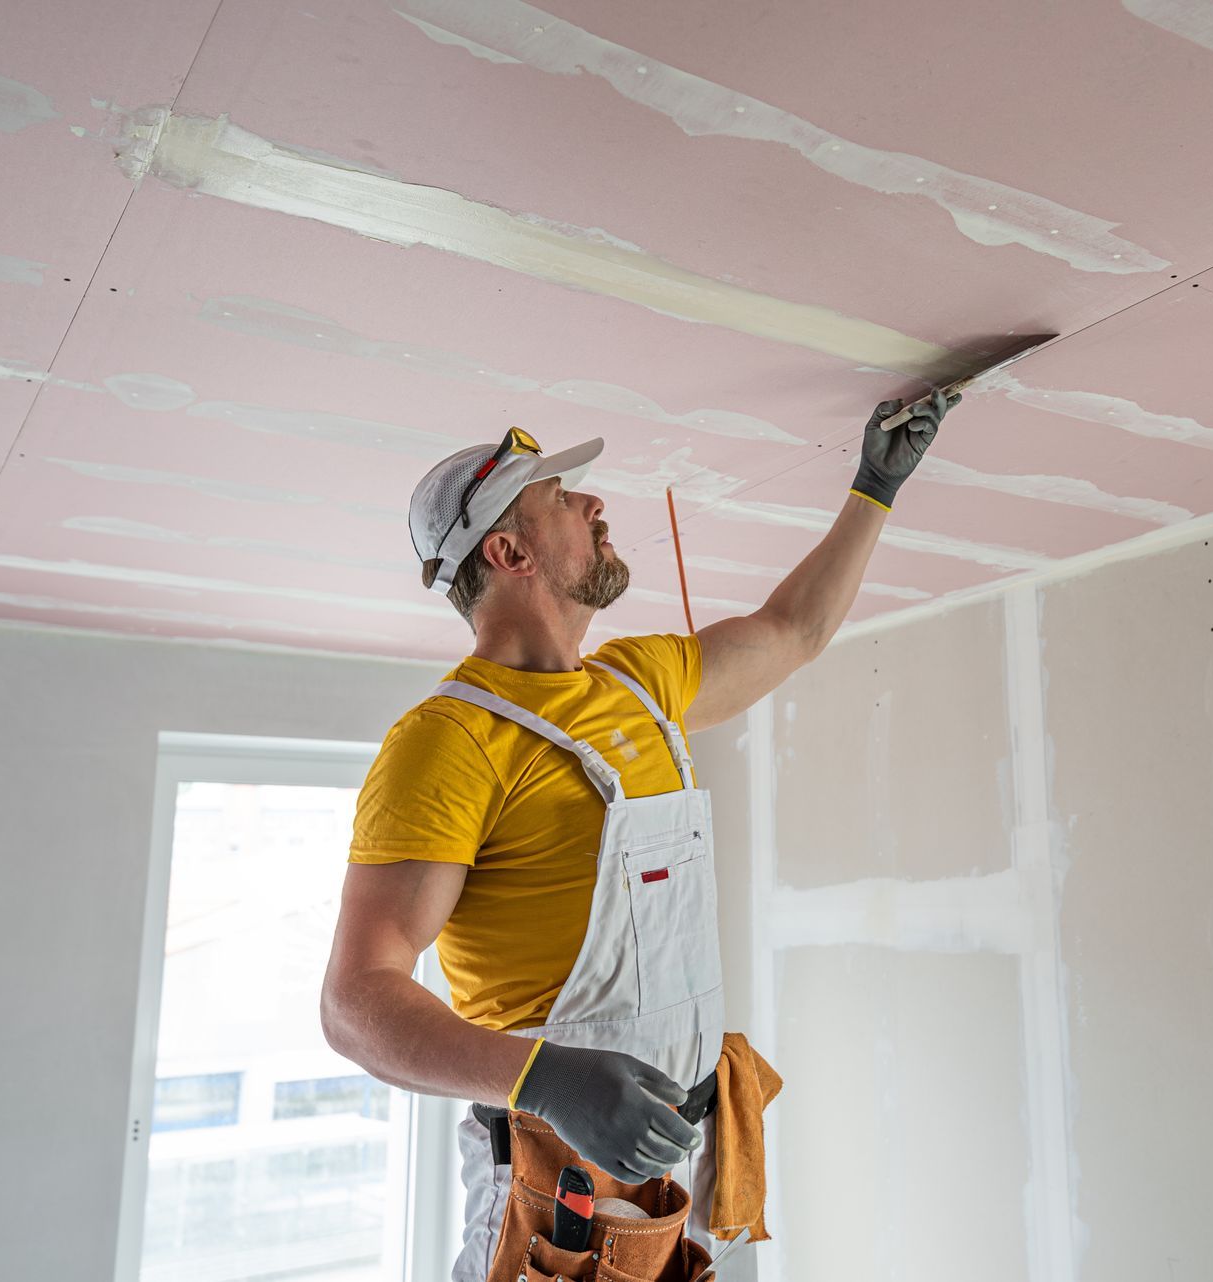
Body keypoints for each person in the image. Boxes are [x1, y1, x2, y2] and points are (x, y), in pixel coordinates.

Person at [320, 393, 956, 1279]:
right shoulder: (447, 742)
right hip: (553, 1173)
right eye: (560, 499)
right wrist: (544, 1078)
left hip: (681, 1146)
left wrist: (874, 487)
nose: (593, 505)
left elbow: (793, 631)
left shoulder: (639, 682)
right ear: (510, 553)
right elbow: (355, 1004)